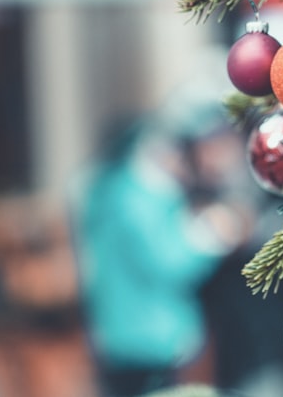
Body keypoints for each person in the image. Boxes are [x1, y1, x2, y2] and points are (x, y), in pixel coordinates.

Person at [72, 98, 247, 397]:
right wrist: (210, 234)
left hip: (119, 333)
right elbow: (168, 263)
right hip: (151, 338)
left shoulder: (105, 190)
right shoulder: (136, 200)